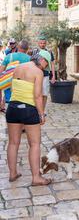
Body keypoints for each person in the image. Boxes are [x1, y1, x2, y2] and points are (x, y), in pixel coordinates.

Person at [5, 50, 52, 186]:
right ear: (42, 59)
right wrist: (41, 114)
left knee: (13, 143)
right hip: (29, 109)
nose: (45, 67)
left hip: (13, 108)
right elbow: (37, 95)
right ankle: (36, 177)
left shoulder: (18, 67)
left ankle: (13, 173)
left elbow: (13, 88)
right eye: (46, 64)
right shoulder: (38, 72)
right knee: (35, 144)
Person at [0, 40, 31, 111]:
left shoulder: (9, 56)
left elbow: (1, 71)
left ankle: (2, 106)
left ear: (18, 47)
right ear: (27, 49)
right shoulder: (30, 59)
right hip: (23, 86)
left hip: (9, 83)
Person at [32, 36, 55, 109]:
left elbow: (52, 64)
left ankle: (42, 110)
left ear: (46, 43)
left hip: (45, 75)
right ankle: (36, 109)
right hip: (35, 76)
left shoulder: (49, 52)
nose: (42, 44)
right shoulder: (35, 51)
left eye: (44, 43)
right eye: (41, 43)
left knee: (44, 94)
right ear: (38, 43)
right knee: (36, 93)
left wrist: (53, 76)